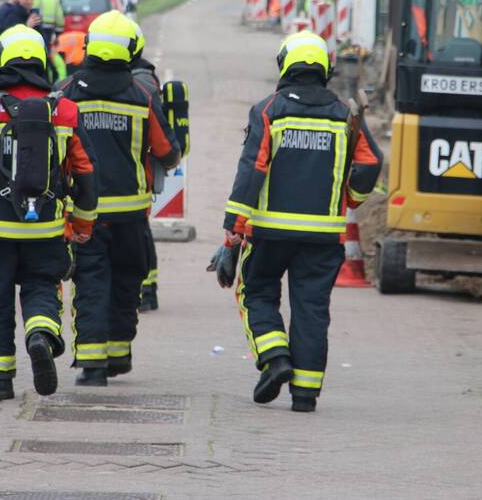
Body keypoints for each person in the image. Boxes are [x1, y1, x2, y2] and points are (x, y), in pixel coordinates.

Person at [221, 30, 383, 413]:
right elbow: (370, 164)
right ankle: (305, 394)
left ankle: (275, 358)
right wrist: (348, 199)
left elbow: (252, 169)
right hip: (322, 237)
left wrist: (233, 225)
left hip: (269, 232)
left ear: (284, 65)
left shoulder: (269, 109)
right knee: (312, 309)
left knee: (255, 291)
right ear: (325, 68)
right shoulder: (346, 113)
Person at [0, 25, 99, 401]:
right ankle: (41, 335)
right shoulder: (64, 108)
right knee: (42, 287)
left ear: (1, 58)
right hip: (45, 229)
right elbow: (87, 172)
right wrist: (82, 223)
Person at [58, 11, 180, 387]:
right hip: (130, 214)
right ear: (132, 49)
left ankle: (93, 365)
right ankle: (119, 354)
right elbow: (168, 153)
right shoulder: (141, 96)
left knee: (91, 283)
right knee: (128, 282)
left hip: (84, 214)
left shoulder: (66, 93)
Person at [129, 24, 190, 312]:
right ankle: (147, 290)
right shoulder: (146, 83)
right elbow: (166, 147)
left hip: (102, 184)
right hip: (137, 184)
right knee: (139, 237)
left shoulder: (80, 87)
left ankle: (142, 290)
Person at [30, 0, 68, 84]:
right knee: (49, 57)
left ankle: (45, 80)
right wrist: (58, 33)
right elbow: (60, 17)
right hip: (50, 30)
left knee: (42, 57)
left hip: (38, 29)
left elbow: (32, 12)